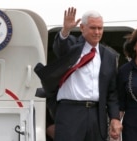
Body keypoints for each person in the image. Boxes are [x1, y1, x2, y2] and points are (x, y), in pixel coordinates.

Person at [37, 7, 122, 141]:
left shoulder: (109, 56)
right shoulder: (72, 45)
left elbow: (112, 92)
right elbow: (60, 48)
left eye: (100, 28)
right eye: (93, 28)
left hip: (96, 115)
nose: (97, 32)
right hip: (71, 112)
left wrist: (115, 118)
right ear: (82, 28)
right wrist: (65, 31)